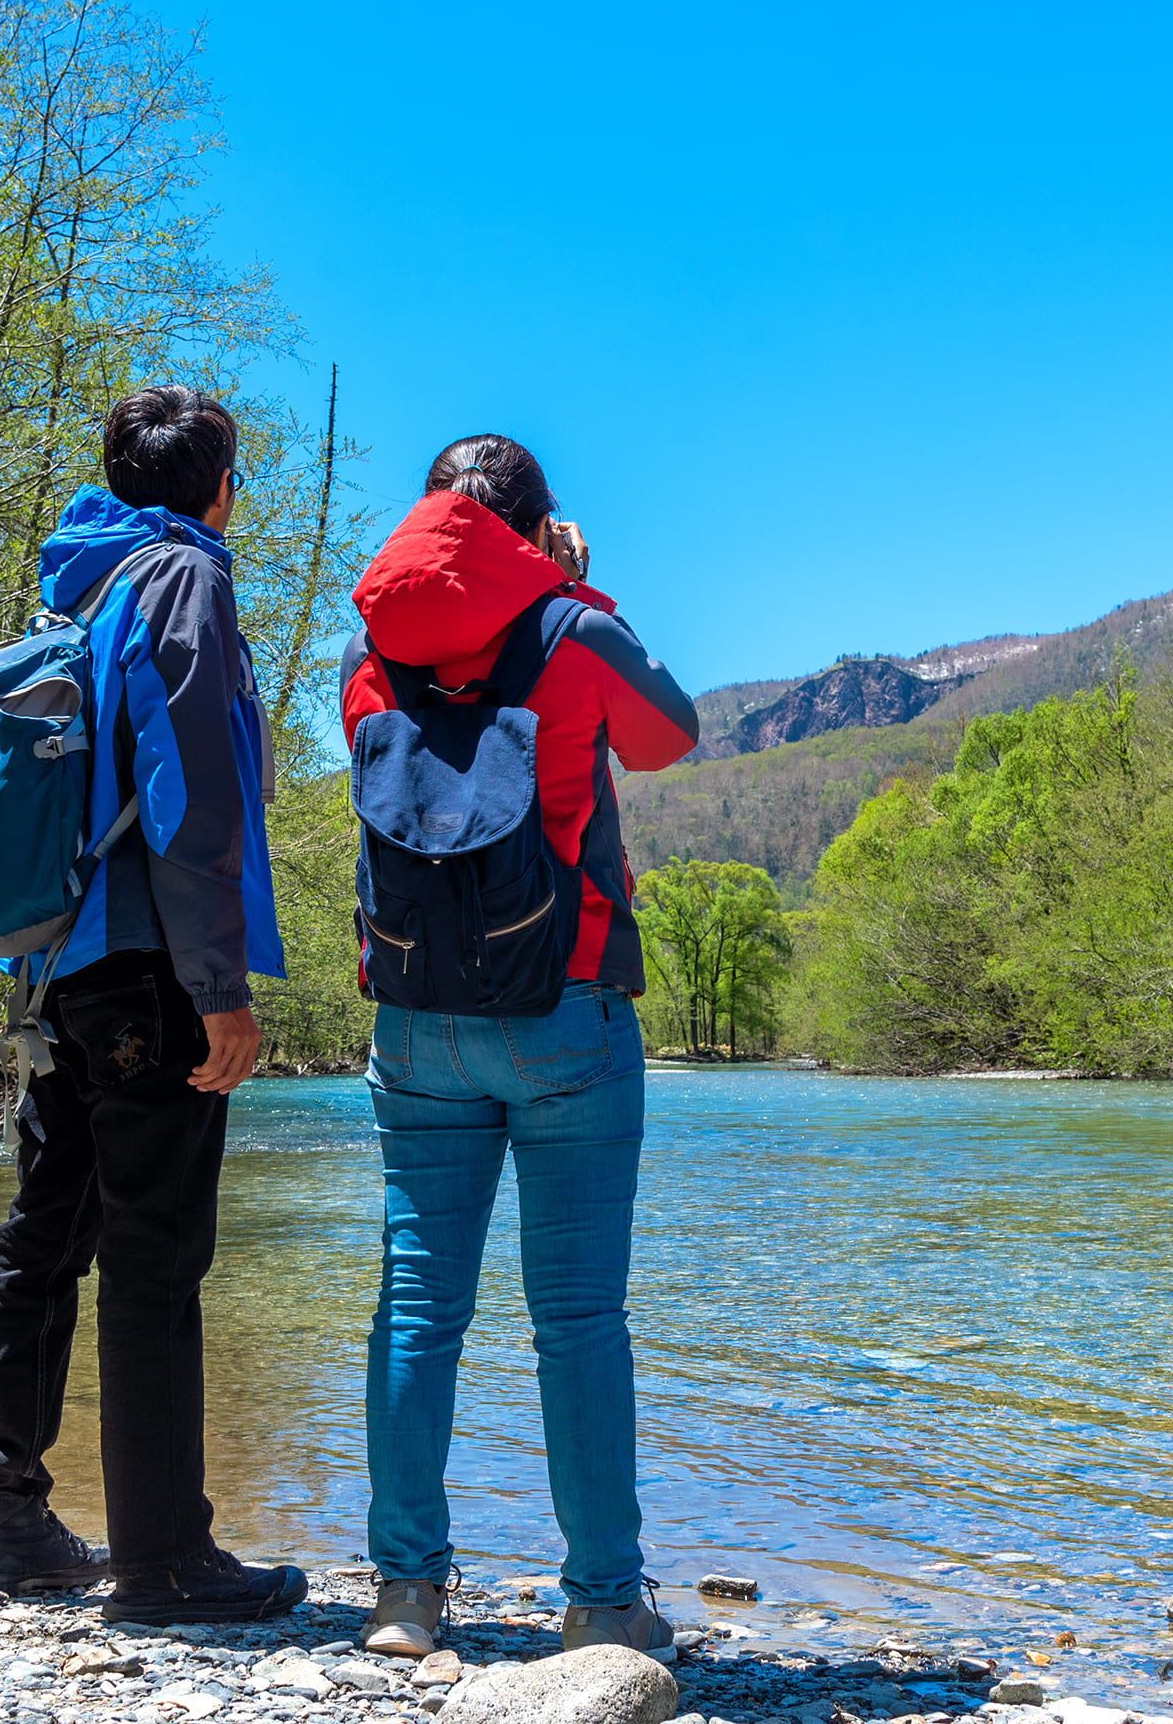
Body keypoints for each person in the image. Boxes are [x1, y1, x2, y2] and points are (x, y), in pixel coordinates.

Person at [336, 435, 701, 1662]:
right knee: (579, 1317)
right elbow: (666, 738)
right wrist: (578, 591)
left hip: (416, 1016)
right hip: (568, 1012)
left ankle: (403, 1596)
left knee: (415, 1304)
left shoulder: (366, 651)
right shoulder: (571, 630)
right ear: (532, 531)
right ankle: (601, 1600)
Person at [0, 383, 308, 1627]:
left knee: (45, 1233)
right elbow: (193, 798)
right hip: (151, 965)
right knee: (155, 1259)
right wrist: (220, 988)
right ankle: (163, 1558)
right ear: (220, 487)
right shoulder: (185, 581)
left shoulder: (75, 581)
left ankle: (13, 1521)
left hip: (52, 969)